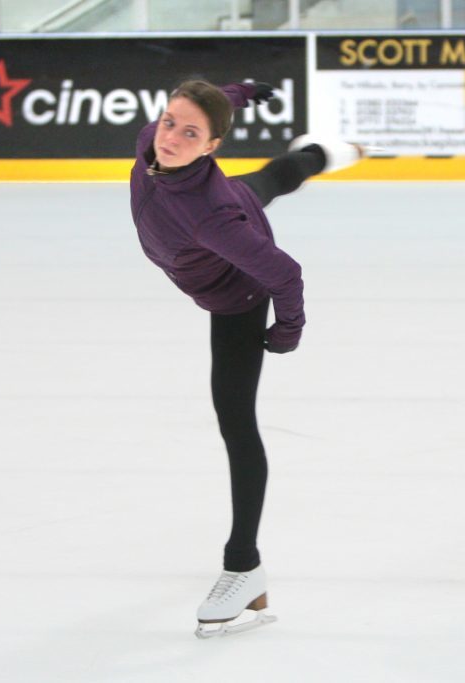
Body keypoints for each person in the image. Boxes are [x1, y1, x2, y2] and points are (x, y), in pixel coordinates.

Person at [129, 79, 365, 638]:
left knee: (236, 422)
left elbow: (285, 274)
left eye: (191, 134)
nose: (172, 138)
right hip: (232, 198)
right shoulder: (151, 146)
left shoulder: (211, 216)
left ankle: (243, 564)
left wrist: (287, 331)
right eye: (170, 123)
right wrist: (232, 94)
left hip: (237, 296)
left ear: (211, 147)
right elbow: (196, 114)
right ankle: (322, 151)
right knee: (272, 179)